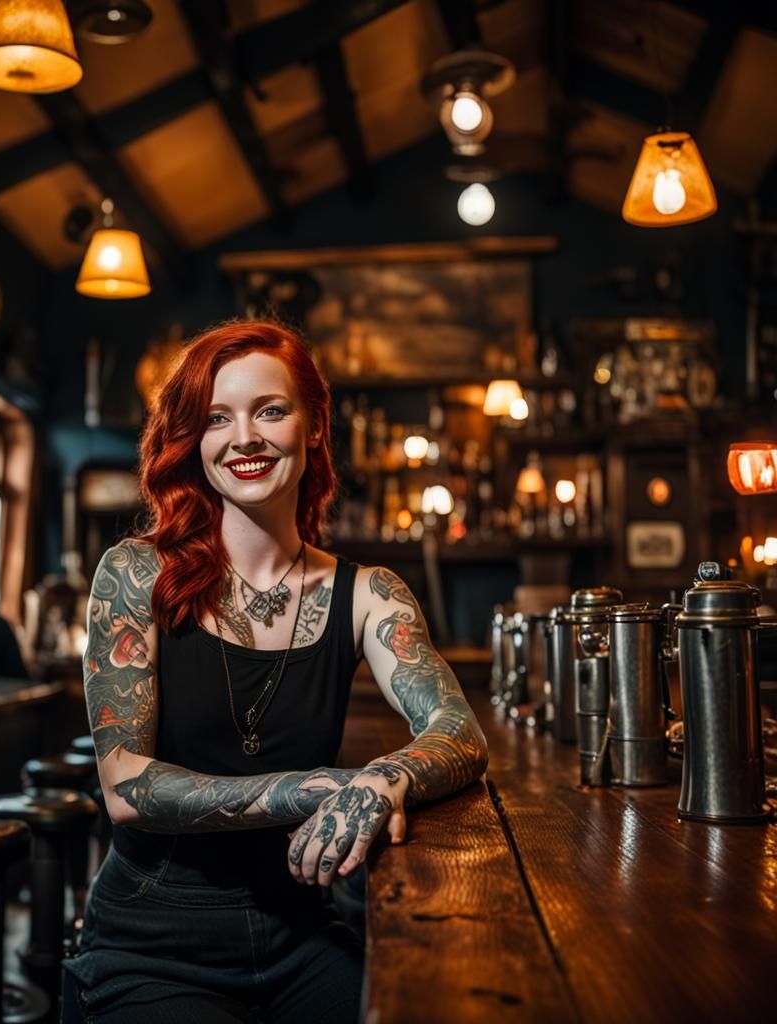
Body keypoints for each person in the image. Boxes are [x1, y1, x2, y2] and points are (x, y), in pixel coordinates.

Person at [62, 321, 488, 1023]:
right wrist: (314, 789)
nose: (244, 439)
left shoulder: (369, 594)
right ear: (195, 442)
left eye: (270, 410)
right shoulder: (136, 575)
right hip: (151, 942)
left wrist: (388, 777)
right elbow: (127, 786)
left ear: (314, 425)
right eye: (216, 419)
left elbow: (458, 730)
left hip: (299, 932)